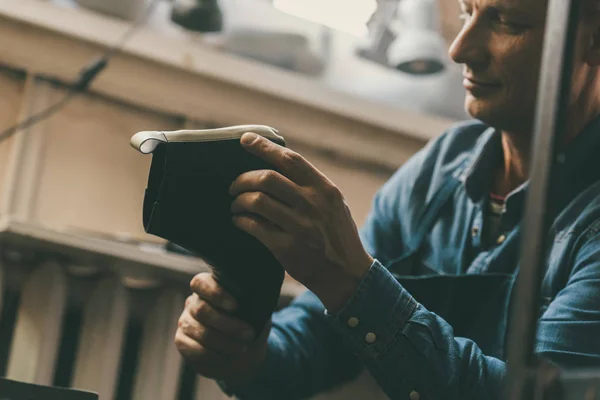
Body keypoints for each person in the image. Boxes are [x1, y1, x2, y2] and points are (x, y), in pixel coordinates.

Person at [174, 0, 600, 398]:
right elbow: (322, 336)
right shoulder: (441, 169)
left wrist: (347, 280)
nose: (459, 48)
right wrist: (247, 351)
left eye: (507, 22)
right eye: (467, 10)